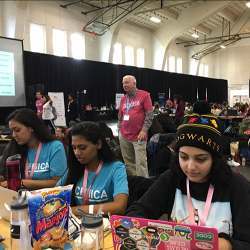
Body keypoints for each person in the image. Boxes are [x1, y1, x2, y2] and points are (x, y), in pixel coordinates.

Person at [127, 113, 250, 249]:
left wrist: (225, 245)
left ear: (215, 159)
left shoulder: (237, 186)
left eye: (201, 159)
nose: (190, 167)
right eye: (184, 157)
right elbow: (138, 210)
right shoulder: (173, 178)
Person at [67, 121, 128, 215]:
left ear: (98, 144)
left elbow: (119, 207)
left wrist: (74, 210)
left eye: (82, 148)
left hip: (104, 226)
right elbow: (56, 194)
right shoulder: (75, 167)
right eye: (74, 148)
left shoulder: (116, 168)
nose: (77, 153)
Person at [0, 108, 68, 190]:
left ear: (31, 128)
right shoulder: (13, 149)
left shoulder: (54, 147)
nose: (14, 135)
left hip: (47, 199)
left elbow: (58, 182)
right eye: (12, 131)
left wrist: (21, 182)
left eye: (17, 130)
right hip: (18, 199)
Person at [118, 75, 153, 177]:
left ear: (134, 83)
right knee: (128, 164)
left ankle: (143, 186)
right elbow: (120, 116)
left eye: (127, 82)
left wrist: (144, 130)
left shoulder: (144, 95)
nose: (124, 85)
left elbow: (150, 115)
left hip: (139, 135)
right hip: (124, 136)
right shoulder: (123, 99)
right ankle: (134, 185)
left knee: (141, 163)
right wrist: (119, 129)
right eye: (123, 83)